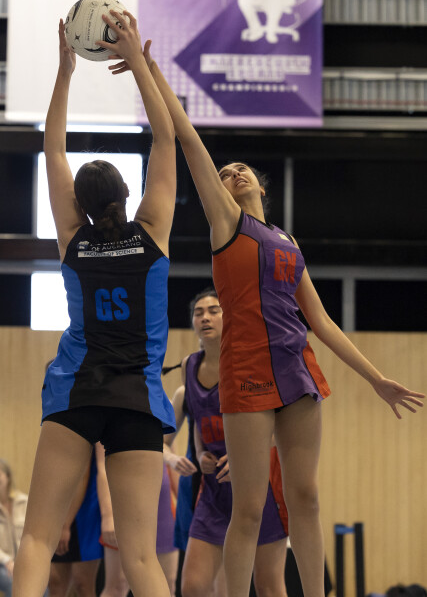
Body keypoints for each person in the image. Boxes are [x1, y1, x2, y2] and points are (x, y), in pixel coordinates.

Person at [108, 43, 425, 597]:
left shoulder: (287, 240)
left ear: (260, 185)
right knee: (249, 509)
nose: (232, 171)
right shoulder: (226, 223)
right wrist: (147, 66)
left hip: (297, 369)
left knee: (306, 498)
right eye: (225, 172)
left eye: (241, 169)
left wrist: (376, 379)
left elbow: (320, 321)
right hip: (248, 369)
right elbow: (188, 138)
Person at [13, 9, 177, 597]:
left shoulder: (73, 241)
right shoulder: (152, 233)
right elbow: (166, 139)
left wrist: (64, 73)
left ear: (78, 205)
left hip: (77, 392)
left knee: (37, 538)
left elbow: (52, 150)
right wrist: (138, 65)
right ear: (128, 195)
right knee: (142, 557)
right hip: (138, 398)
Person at [179, 288, 288, 597]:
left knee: (268, 587)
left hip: (261, 484)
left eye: (214, 310)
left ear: (230, 318)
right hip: (215, 489)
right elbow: (198, 418)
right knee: (193, 587)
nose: (205, 317)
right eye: (198, 313)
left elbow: (280, 426)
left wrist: (244, 459)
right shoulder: (189, 366)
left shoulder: (252, 363)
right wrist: (201, 452)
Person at [96, 442, 178, 597]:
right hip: (125, 504)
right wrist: (108, 515)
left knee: (167, 584)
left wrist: (185, 510)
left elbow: (175, 464)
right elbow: (102, 468)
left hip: (163, 507)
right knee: (117, 586)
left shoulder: (164, 426)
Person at [48, 452, 102, 597]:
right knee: (55, 581)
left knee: (82, 584)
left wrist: (65, 524)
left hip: (84, 513)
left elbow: (82, 476)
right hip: (58, 507)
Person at [0, 459, 27, 597]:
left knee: (41, 582)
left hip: (24, 561)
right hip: (2, 563)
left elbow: (33, 535)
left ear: (8, 476)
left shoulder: (24, 501)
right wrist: (7, 561)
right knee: (13, 582)